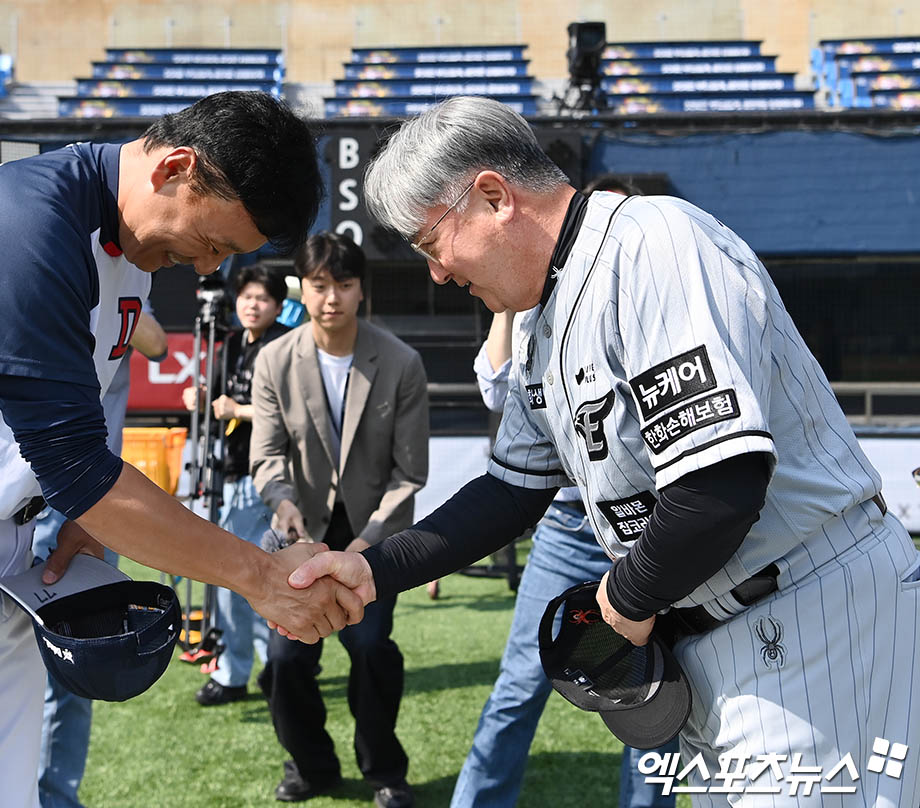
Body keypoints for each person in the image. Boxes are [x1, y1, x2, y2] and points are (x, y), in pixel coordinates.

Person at [290, 96, 920, 806]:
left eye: (432, 243)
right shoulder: (539, 318)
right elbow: (511, 490)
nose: (436, 272)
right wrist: (373, 571)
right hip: (715, 629)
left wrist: (619, 606)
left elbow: (721, 485)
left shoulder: (653, 243)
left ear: (493, 195)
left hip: (813, 609)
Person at [0, 92, 363, 808]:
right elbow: (76, 467)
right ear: (176, 168)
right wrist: (260, 576)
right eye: (217, 243)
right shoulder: (25, 221)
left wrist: (91, 518)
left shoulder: (124, 235)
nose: (210, 269)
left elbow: (73, 432)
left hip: (7, 552)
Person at [452, 306, 676, 808]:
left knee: (654, 694)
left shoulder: (632, 280)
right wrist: (508, 305)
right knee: (518, 687)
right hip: (568, 527)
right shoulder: (532, 297)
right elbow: (494, 388)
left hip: (652, 529)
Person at [250, 232, 428, 808]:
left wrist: (369, 539)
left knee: (373, 649)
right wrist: (282, 502)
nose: (332, 298)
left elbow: (409, 474)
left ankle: (384, 770)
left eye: (344, 285)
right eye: (320, 285)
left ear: (360, 289)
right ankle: (311, 765)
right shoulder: (274, 359)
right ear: (302, 287)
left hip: (373, 540)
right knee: (284, 659)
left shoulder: (401, 362)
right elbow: (267, 454)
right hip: (299, 537)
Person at [32, 306, 166, 808]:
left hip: (92, 510)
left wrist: (119, 310)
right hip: (6, 504)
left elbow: (157, 343)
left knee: (73, 667)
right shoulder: (43, 262)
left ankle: (56, 797)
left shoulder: (126, 269)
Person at [183, 264, 290, 706]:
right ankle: (255, 669)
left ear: (280, 306)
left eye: (262, 298)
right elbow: (216, 398)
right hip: (227, 472)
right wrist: (202, 399)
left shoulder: (287, 344)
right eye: (246, 296)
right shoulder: (227, 344)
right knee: (240, 574)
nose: (252, 305)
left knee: (248, 575)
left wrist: (239, 410)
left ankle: (247, 671)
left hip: (270, 475)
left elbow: (294, 412)